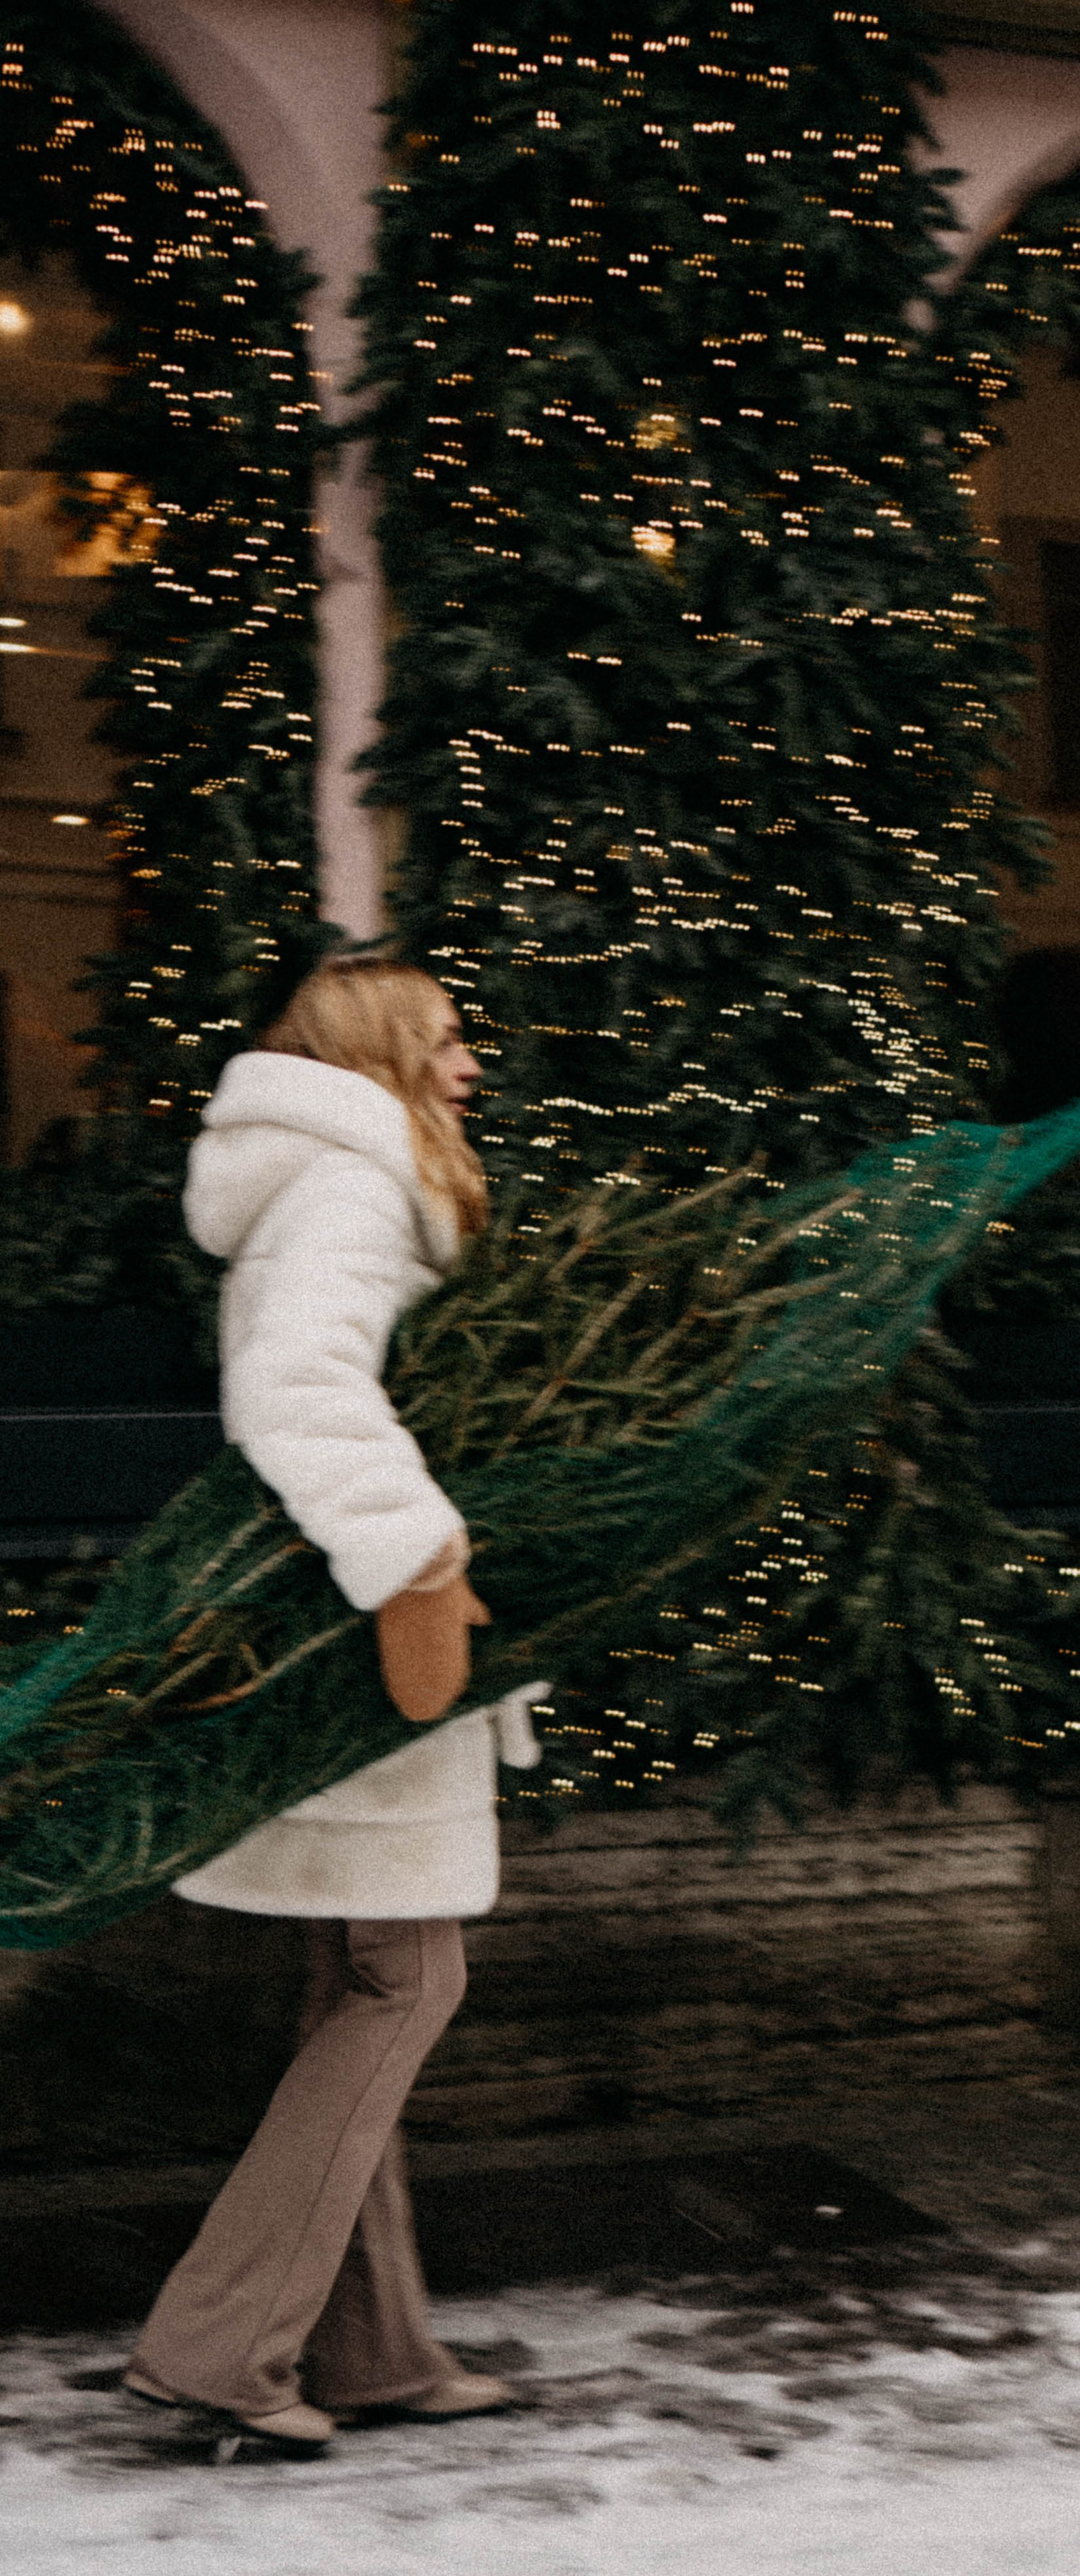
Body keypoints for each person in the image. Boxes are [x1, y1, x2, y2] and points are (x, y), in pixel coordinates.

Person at [121, 957, 542, 2458]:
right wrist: (415, 1555)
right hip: (366, 1629)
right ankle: (217, 2347)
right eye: (445, 1038)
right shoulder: (354, 1188)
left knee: (364, 1982)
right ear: (378, 1052)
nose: (470, 1064)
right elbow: (298, 1388)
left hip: (334, 1626)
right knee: (402, 1983)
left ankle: (370, 2349)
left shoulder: (328, 1179)